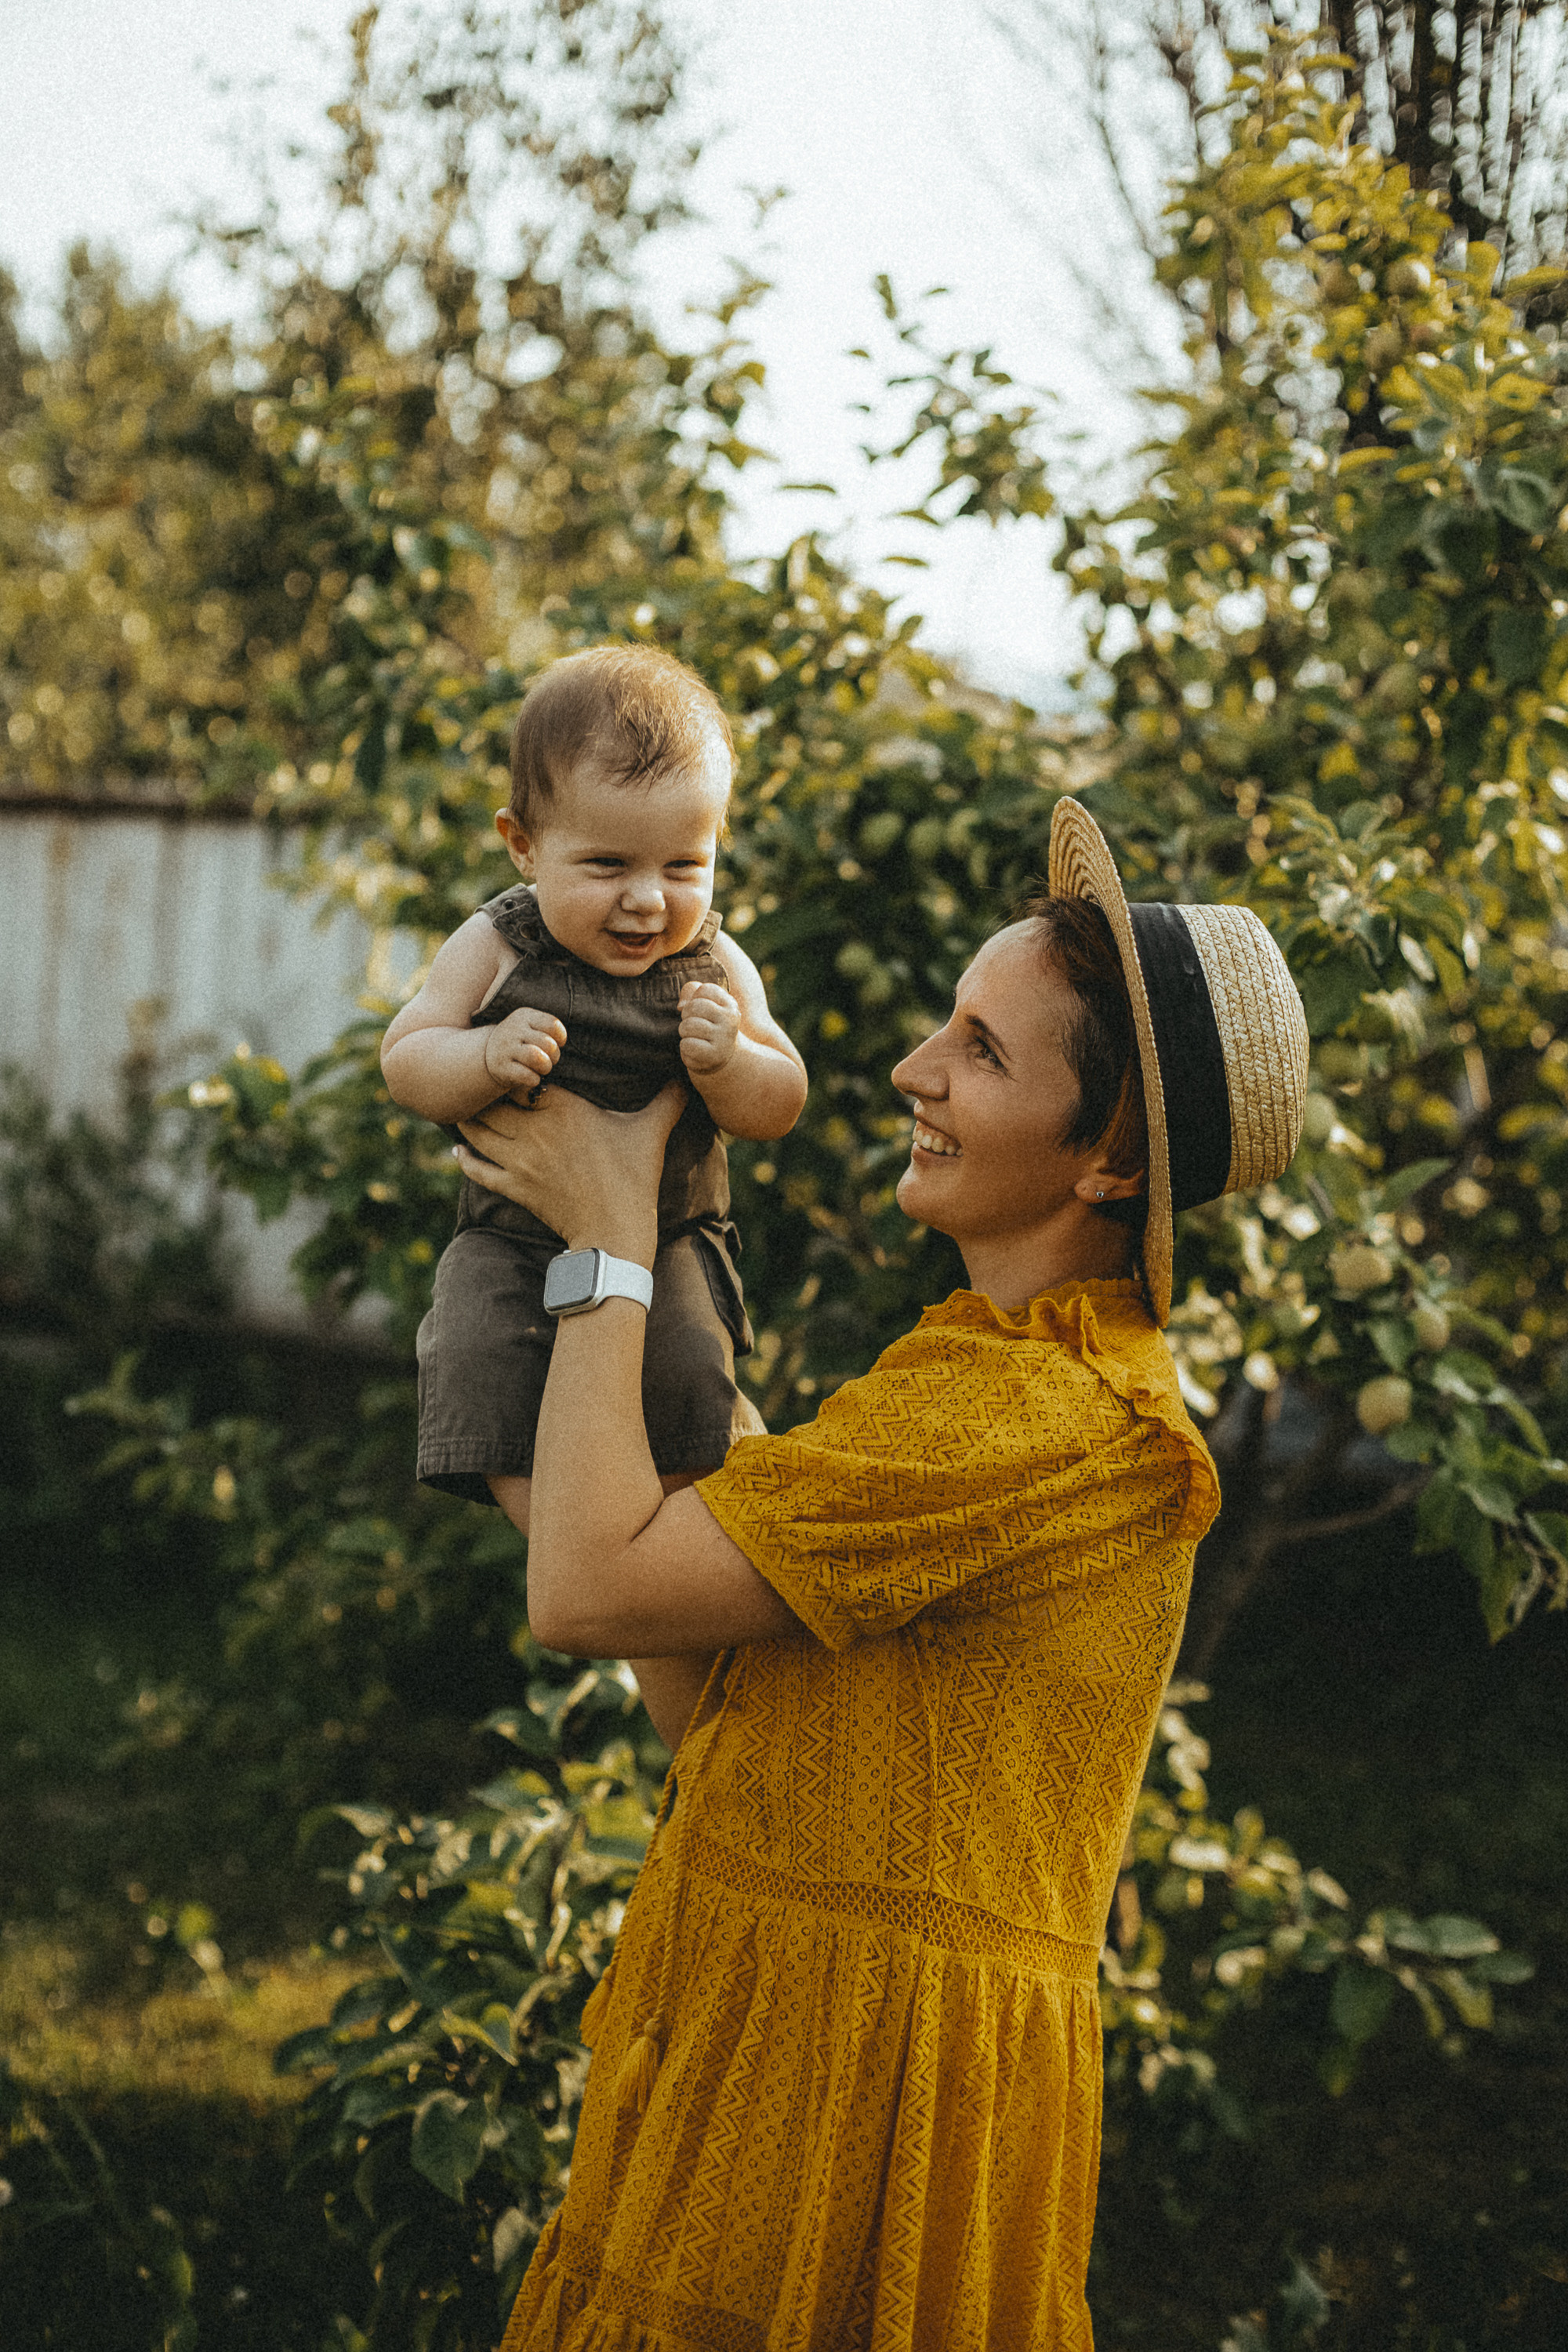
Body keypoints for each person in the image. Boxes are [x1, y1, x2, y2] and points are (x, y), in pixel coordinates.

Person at [453, 797, 1308, 2351]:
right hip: (784, 2037)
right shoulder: (982, 1376)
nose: (915, 1069)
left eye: (981, 1050)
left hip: (859, 2102)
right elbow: (729, 1720)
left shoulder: (1022, 1417)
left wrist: (609, 1240)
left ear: (1111, 1156)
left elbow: (581, 1596)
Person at [381, 645, 807, 1514]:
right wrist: (480, 1055)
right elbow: (406, 1058)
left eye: (683, 866)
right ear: (524, 846)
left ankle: (674, 1528)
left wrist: (731, 1062)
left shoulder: (717, 964)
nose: (648, 899)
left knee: (690, 1374)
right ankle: (561, 1534)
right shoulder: (495, 945)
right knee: (475, 1356)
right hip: (509, 1240)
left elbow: (783, 1097)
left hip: (671, 1234)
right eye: (608, 866)